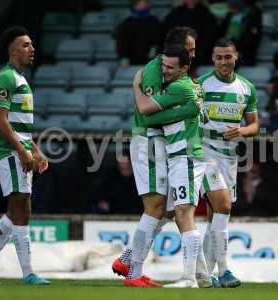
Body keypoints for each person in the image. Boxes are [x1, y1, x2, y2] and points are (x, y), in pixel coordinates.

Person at [112, 27, 210, 288]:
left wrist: (136, 85)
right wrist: (137, 87)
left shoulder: (182, 85)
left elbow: (155, 110)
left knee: (168, 210)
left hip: (172, 149)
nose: (193, 54)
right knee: (162, 209)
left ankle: (129, 260)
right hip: (150, 142)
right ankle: (135, 271)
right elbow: (145, 112)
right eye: (189, 49)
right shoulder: (159, 72)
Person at [0, 26, 49, 285]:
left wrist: (36, 150)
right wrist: (21, 150)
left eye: (31, 45)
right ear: (12, 49)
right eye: (25, 45)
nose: (32, 49)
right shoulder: (6, 77)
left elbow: (21, 125)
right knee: (22, 208)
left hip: (17, 150)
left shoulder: (20, 79)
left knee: (14, 211)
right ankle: (28, 273)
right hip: (8, 153)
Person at [197, 38, 259, 287]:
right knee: (223, 207)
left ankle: (204, 272)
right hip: (203, 152)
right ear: (213, 58)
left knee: (216, 217)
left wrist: (242, 131)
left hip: (230, 156)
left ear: (236, 57)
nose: (223, 62)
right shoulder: (200, 85)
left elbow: (255, 125)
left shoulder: (247, 88)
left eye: (228, 57)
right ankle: (224, 271)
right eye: (219, 57)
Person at [163, 0, 218, 65]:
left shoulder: (207, 16)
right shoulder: (174, 15)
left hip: (201, 57)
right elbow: (166, 34)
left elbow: (210, 38)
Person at [116, 0, 163, 66]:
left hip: (150, 59)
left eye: (146, 3)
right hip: (130, 60)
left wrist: (155, 49)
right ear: (134, 5)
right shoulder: (126, 23)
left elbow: (159, 39)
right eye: (140, 3)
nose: (143, 5)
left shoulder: (155, 22)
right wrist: (123, 57)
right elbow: (121, 42)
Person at [220, 0, 262, 66]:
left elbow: (250, 37)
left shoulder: (253, 14)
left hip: (243, 53)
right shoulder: (228, 16)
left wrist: (238, 51)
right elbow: (221, 34)